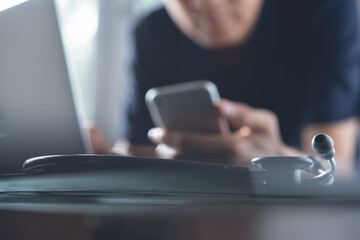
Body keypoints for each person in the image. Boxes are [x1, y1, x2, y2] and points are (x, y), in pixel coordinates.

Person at [93, 0, 360, 174]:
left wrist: (286, 166)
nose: (208, 4)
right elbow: (141, 151)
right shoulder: (152, 33)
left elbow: (340, 169)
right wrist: (104, 159)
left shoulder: (326, 9)